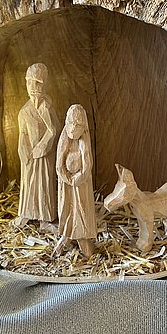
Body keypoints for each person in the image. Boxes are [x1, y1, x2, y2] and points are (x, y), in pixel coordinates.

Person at [15, 63, 58, 229]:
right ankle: (26, 214)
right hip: (29, 156)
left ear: (45, 84)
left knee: (44, 185)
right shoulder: (24, 112)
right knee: (28, 184)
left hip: (44, 155)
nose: (33, 87)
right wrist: (23, 150)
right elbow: (22, 134)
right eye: (29, 82)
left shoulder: (47, 107)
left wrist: (43, 146)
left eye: (38, 82)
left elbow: (54, 129)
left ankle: (44, 219)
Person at [55, 104, 97, 258]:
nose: (73, 128)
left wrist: (78, 178)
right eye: (71, 123)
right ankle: (67, 234)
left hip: (80, 185)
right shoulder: (64, 138)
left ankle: (81, 237)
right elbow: (59, 165)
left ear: (83, 126)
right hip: (66, 184)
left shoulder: (84, 140)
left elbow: (87, 164)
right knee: (67, 210)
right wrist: (67, 178)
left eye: (78, 125)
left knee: (81, 210)